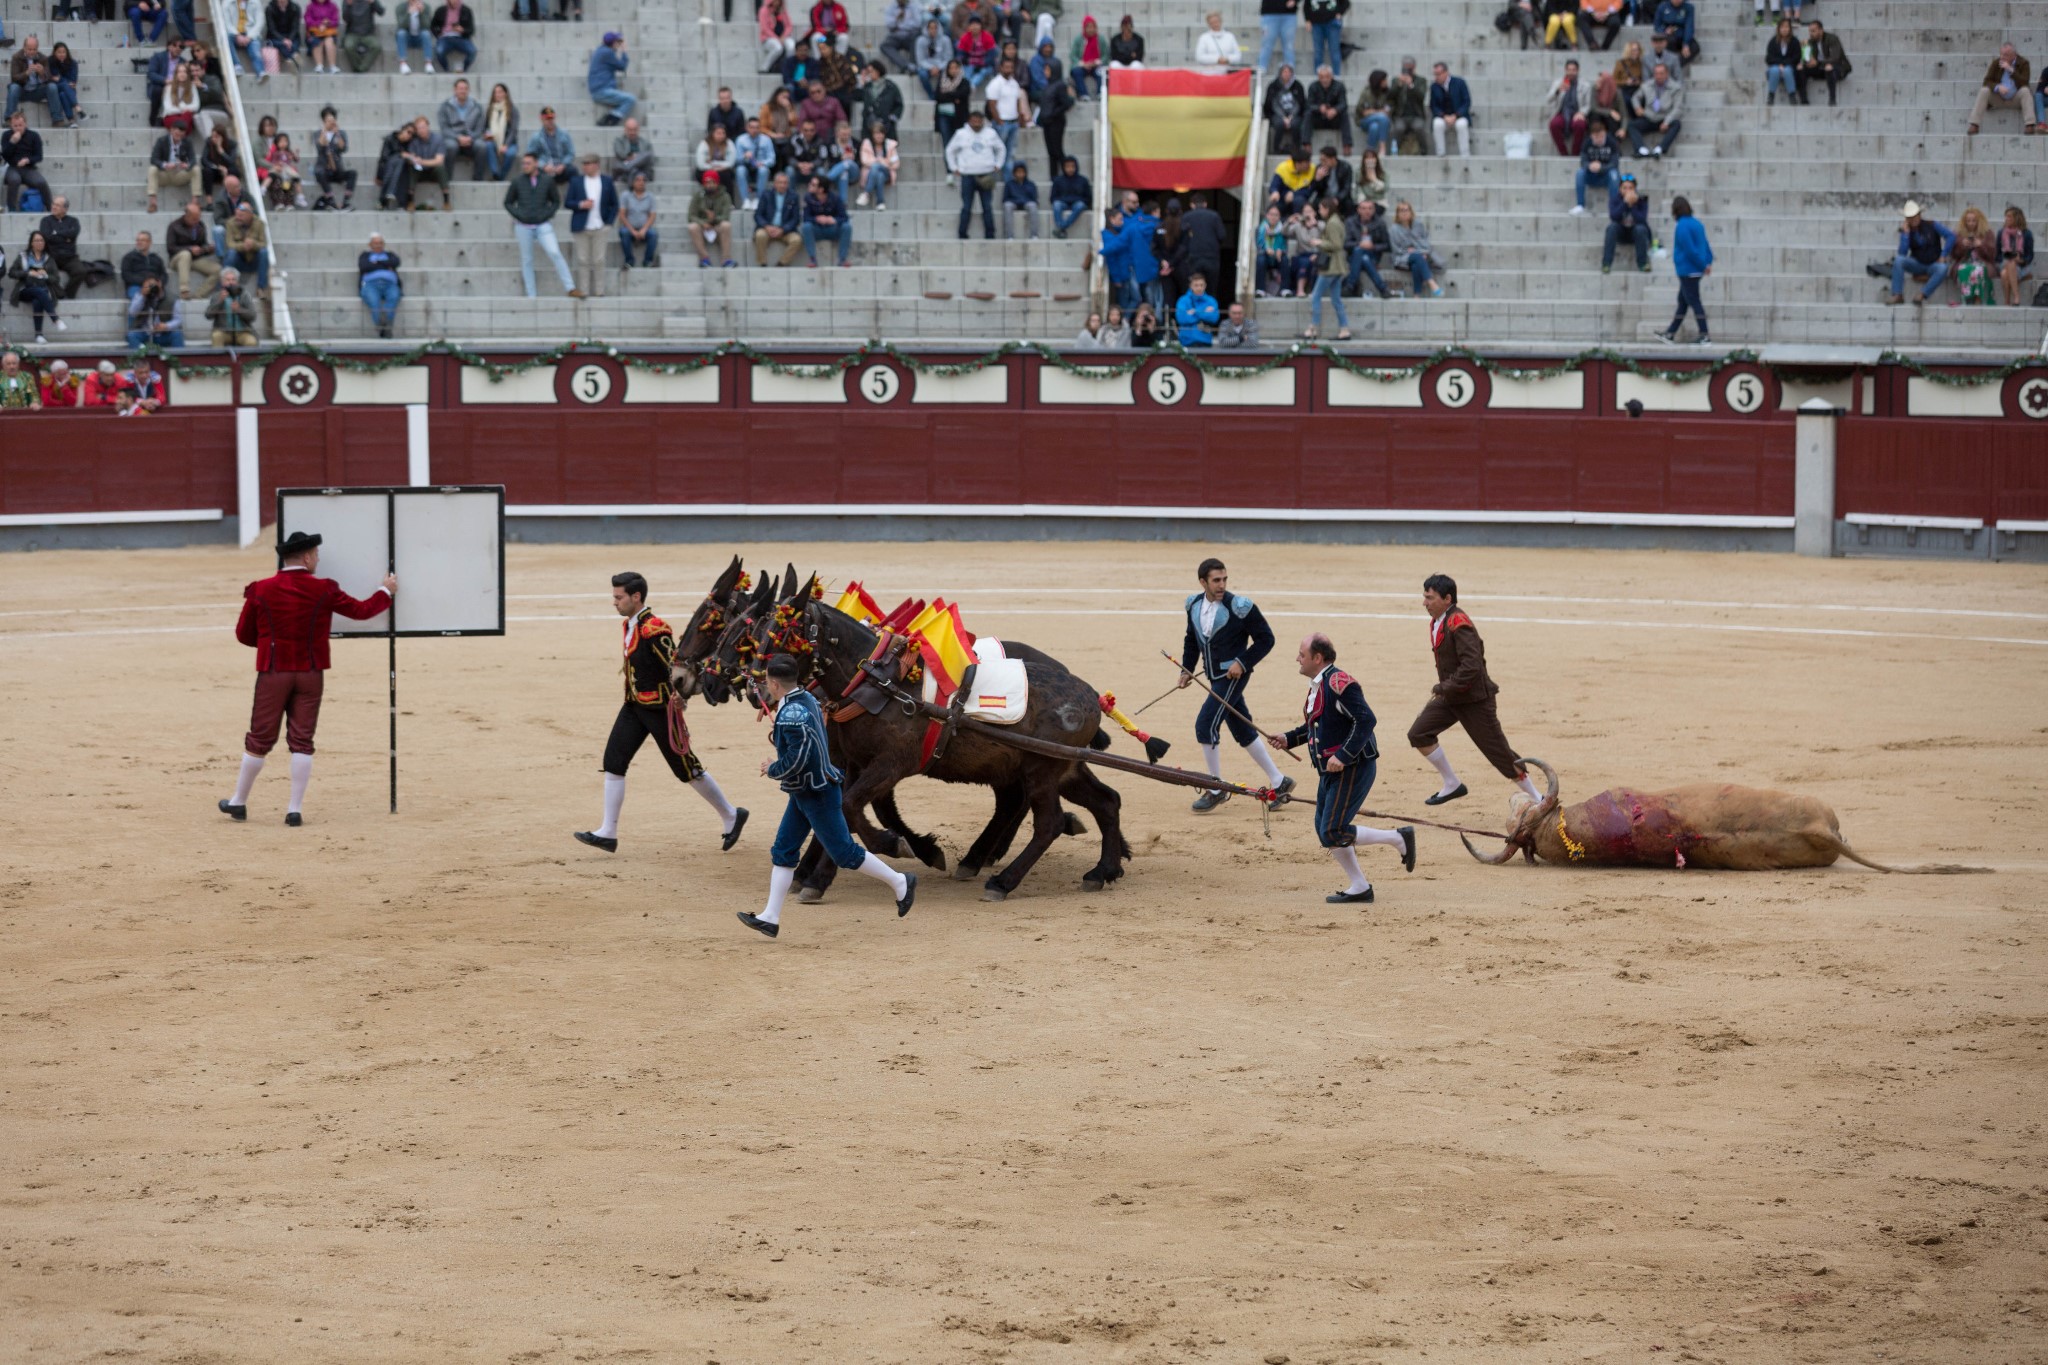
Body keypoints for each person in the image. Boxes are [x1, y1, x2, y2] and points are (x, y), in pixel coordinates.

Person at [221, 531, 396, 827]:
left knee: (260, 737)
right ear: (306, 557)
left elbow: (243, 634)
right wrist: (386, 591)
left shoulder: (261, 590)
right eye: (315, 554)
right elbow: (362, 611)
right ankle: (294, 810)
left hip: (274, 670)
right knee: (302, 739)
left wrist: (269, 644)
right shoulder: (323, 589)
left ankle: (238, 801)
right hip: (310, 672)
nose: (317, 559)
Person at [736, 653, 913, 940]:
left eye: (766, 682)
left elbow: (797, 759)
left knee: (844, 852)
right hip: (805, 790)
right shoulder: (804, 698)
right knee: (784, 850)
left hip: (815, 791)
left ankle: (900, 881)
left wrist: (773, 768)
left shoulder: (792, 713)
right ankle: (770, 916)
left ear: (774, 683)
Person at [571, 571, 746, 858]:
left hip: (660, 708)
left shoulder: (655, 629)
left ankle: (731, 815)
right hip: (634, 705)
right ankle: (608, 832)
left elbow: (674, 666)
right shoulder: (630, 625)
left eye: (619, 597)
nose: (614, 602)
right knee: (614, 762)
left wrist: (680, 697)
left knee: (686, 768)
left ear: (636, 597)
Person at [1265, 633, 1414, 905]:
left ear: (1317, 658)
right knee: (1326, 830)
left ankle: (1397, 838)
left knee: (1332, 830)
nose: (1297, 658)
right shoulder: (1319, 684)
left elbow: (1366, 719)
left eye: (1302, 654)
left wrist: (1344, 755)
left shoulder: (1338, 682)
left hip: (1353, 766)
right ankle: (1360, 886)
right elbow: (1319, 727)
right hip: (1332, 769)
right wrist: (1289, 738)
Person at [1406, 574, 1543, 809]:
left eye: (1429, 598)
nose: (1424, 603)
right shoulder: (1440, 620)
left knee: (1499, 753)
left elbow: (1472, 666)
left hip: (1474, 700)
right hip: (1452, 697)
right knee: (1419, 733)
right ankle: (1452, 783)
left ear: (1447, 598)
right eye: (1424, 597)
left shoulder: (1458, 622)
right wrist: (1446, 691)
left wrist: (1443, 687)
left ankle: (1539, 798)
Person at [1177, 559, 1290, 811]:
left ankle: (1216, 788)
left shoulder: (1240, 607)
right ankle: (1279, 781)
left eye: (1224, 579)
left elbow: (1266, 639)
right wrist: (1186, 668)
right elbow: (1191, 640)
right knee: (1242, 729)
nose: (1222, 585)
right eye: (1216, 580)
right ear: (1202, 582)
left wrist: (1242, 661)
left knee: (1205, 724)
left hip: (1232, 677)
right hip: (1214, 677)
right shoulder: (1193, 605)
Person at [505, 152, 580, 297]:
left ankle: (570, 287)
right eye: (523, 163)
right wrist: (519, 215)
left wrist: (546, 215)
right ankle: (531, 294)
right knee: (527, 259)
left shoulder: (547, 180)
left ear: (536, 164)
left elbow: (556, 201)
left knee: (555, 252)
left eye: (528, 163)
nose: (525, 166)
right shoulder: (517, 181)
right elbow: (508, 202)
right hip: (523, 226)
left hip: (542, 225)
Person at [946, 107, 1004, 238]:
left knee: (987, 207)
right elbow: (950, 150)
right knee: (966, 206)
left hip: (986, 173)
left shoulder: (991, 133)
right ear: (969, 121)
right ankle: (962, 233)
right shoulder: (961, 134)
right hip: (968, 174)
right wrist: (953, 167)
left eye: (979, 121)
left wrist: (998, 164)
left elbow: (1001, 149)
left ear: (983, 121)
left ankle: (990, 234)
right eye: (974, 121)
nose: (977, 124)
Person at [1661, 194, 1710, 342]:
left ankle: (1704, 334)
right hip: (1696, 269)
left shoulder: (1682, 226)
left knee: (1694, 302)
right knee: (1682, 302)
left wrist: (1702, 264)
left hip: (1688, 270)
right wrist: (1707, 263)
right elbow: (1705, 245)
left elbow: (1689, 249)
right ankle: (1670, 333)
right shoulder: (1697, 223)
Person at [10, 231, 63, 342]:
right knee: (39, 292)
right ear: (32, 243)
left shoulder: (49, 258)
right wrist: (28, 273)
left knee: (38, 299)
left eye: (41, 240)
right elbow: (12, 273)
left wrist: (46, 275)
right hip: (25, 289)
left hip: (43, 289)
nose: (39, 243)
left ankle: (39, 335)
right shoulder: (23, 256)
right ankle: (55, 319)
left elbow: (56, 278)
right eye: (37, 240)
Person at [1388, 199, 1444, 297]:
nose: (1404, 213)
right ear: (1397, 214)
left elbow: (1426, 242)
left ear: (1411, 212)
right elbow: (1396, 249)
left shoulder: (1418, 225)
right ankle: (1432, 283)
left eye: (1406, 210)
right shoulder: (1393, 229)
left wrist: (1421, 252)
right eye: (1401, 211)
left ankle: (1416, 295)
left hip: (1420, 256)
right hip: (1402, 258)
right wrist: (1411, 252)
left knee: (1416, 264)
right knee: (1417, 257)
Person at [984, 54, 1030, 172]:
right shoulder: (995, 83)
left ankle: (1007, 182)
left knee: (1010, 154)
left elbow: (1017, 102)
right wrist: (999, 121)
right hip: (1002, 123)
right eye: (1007, 67)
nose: (1009, 70)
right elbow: (992, 105)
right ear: (1001, 68)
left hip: (1013, 123)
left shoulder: (1014, 83)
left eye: (1011, 67)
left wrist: (1020, 118)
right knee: (997, 152)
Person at [1969, 43, 2030, 133]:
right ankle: (1974, 124)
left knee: (2025, 91)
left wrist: (2011, 70)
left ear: (2014, 55)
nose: (2002, 57)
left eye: (2005, 55)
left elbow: (2025, 82)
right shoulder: (1996, 63)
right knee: (1984, 90)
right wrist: (1997, 87)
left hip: (2016, 99)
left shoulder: (2023, 63)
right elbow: (1986, 81)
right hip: (1999, 98)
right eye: (2001, 54)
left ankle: (2030, 125)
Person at [1628, 60, 1683, 157]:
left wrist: (1667, 121)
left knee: (1677, 124)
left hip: (1664, 118)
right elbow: (1635, 97)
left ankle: (1660, 148)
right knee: (1632, 125)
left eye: (1661, 73)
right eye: (1656, 73)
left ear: (1667, 74)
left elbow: (1678, 108)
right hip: (1649, 116)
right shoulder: (1647, 85)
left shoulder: (1676, 88)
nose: (1659, 76)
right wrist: (1637, 107)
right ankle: (1641, 149)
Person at [166, 198, 219, 298]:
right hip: (177, 259)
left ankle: (199, 294)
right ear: (187, 216)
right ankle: (184, 290)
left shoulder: (200, 225)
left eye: (198, 218)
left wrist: (208, 249)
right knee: (185, 254)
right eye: (194, 219)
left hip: (195, 259)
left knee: (218, 270)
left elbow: (203, 244)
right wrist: (189, 249)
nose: (197, 221)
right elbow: (171, 248)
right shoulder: (174, 226)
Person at [749, 169, 803, 266]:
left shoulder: (794, 196)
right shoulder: (766, 195)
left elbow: (795, 219)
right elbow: (758, 215)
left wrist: (783, 229)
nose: (782, 185)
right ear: (775, 184)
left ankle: (782, 262)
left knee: (797, 240)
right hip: (767, 228)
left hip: (785, 230)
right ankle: (762, 263)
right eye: (780, 183)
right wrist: (767, 226)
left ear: (788, 184)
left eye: (785, 183)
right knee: (760, 235)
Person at [2, 111, 50, 215]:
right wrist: (12, 142)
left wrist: (28, 160)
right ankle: (12, 209)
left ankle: (50, 206)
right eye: (15, 126)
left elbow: (39, 156)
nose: (18, 128)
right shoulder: (6, 135)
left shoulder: (34, 136)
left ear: (25, 124)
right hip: (11, 167)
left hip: (28, 168)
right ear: (11, 125)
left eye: (20, 125)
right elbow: (4, 155)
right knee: (14, 180)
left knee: (41, 182)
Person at [1602, 172, 1652, 272]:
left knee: (1640, 228)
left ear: (1635, 189)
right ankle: (1606, 263)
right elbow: (1614, 216)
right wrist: (1625, 203)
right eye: (1624, 188)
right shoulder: (1615, 199)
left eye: (1630, 188)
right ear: (1620, 189)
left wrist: (1633, 205)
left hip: (1636, 233)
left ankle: (1643, 263)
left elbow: (1641, 219)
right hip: (1621, 232)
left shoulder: (1641, 200)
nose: (1627, 191)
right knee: (1611, 228)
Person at [685, 168, 735, 267]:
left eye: (712, 182)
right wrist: (703, 223)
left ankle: (726, 259)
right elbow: (691, 216)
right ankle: (704, 259)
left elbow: (726, 216)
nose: (709, 185)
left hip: (717, 227)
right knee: (692, 227)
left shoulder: (725, 196)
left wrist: (713, 219)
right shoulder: (698, 196)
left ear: (717, 183)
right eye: (707, 183)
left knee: (726, 225)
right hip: (703, 227)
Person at [1949, 205, 1998, 305]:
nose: (1971, 223)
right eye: (1968, 220)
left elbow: (1992, 255)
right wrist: (1962, 245)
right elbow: (1954, 255)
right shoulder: (1958, 233)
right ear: (1964, 221)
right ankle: (1966, 298)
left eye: (1974, 220)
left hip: (1983, 263)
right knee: (1963, 268)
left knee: (1977, 269)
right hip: (1964, 262)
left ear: (1979, 221)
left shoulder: (1987, 233)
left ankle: (1977, 299)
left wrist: (1981, 245)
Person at [439, 77, 486, 181]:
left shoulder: (477, 107)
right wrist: (457, 137)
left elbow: (480, 128)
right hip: (453, 138)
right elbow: (444, 128)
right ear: (455, 90)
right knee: (450, 146)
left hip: (471, 139)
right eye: (460, 88)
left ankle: (478, 179)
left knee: (482, 146)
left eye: (465, 88)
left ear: (468, 90)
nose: (463, 91)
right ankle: (447, 178)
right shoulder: (445, 106)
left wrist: (471, 138)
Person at [800, 173, 852, 266]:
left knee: (846, 227)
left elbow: (844, 217)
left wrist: (833, 219)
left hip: (832, 229)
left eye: (813, 184)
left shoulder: (835, 198)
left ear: (821, 189)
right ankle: (812, 259)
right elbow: (805, 218)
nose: (809, 185)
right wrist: (817, 219)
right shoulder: (808, 198)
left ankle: (842, 259)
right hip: (817, 229)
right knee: (806, 227)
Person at [400, 116, 450, 210]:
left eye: (423, 127)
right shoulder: (414, 141)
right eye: (418, 129)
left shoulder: (438, 139)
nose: (421, 130)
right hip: (419, 171)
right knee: (411, 168)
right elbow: (411, 157)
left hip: (433, 170)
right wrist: (413, 159)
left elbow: (439, 160)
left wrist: (422, 161)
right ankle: (410, 201)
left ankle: (446, 201)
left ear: (428, 126)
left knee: (441, 168)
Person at [1795, 19, 1848, 107]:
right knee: (1801, 69)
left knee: (1829, 67)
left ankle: (1832, 99)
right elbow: (1807, 60)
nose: (1811, 33)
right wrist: (1804, 48)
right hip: (1820, 68)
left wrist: (1818, 62)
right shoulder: (1811, 42)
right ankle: (1804, 100)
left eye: (1813, 31)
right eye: (1809, 31)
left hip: (1838, 68)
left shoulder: (1832, 38)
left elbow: (1835, 57)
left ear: (1821, 30)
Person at [147, 123, 197, 216]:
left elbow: (193, 159)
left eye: (181, 134)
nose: (178, 136)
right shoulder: (162, 141)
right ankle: (153, 202)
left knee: (196, 169)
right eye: (176, 133)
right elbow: (154, 159)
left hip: (179, 174)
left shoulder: (187, 142)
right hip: (165, 174)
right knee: (152, 169)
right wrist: (165, 164)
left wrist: (187, 165)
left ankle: (194, 203)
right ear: (171, 130)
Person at [1344, 197, 1390, 298]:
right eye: (1364, 208)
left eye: (1370, 208)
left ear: (1374, 210)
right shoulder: (1350, 222)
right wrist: (1359, 244)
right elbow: (1345, 244)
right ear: (1358, 210)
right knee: (1360, 253)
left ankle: (1350, 286)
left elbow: (1387, 246)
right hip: (1353, 257)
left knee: (1364, 257)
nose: (1367, 211)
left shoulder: (1380, 223)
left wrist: (1373, 246)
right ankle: (1383, 289)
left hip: (1373, 255)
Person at [1544, 59, 1590, 156]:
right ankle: (1563, 152)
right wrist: (1558, 91)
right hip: (1562, 112)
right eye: (1569, 70)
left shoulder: (1585, 85)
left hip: (1577, 112)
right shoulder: (1558, 83)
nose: (1571, 72)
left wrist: (1581, 113)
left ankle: (1575, 153)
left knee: (1580, 125)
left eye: (1573, 70)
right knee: (1554, 124)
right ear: (1565, 70)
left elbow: (1587, 105)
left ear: (1577, 71)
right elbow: (1548, 99)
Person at [588, 31, 633, 126]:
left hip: (598, 89)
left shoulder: (601, 50)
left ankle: (609, 117)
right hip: (601, 91)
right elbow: (622, 66)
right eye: (617, 42)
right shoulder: (607, 53)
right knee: (630, 99)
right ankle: (610, 118)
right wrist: (624, 51)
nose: (619, 44)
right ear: (612, 43)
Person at [206, 266, 260, 344]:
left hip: (242, 332)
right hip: (224, 332)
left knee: (251, 342)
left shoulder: (244, 295)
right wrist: (220, 301)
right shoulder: (217, 296)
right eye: (227, 280)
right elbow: (208, 315)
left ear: (237, 282)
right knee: (216, 336)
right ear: (222, 282)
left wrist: (239, 309)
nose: (230, 282)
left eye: (233, 280)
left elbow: (253, 316)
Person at [1429, 61, 1472, 157]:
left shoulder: (1460, 82)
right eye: (1435, 74)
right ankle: (1441, 153)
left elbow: (1466, 102)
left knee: (1462, 125)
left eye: (1438, 74)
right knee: (1437, 124)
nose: (1436, 77)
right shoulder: (1434, 86)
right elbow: (1433, 106)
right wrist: (1443, 116)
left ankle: (1465, 154)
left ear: (1446, 73)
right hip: (1443, 117)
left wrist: (1456, 115)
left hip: (1458, 116)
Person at [1572, 120, 1615, 213]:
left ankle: (1614, 206)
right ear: (1591, 136)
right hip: (1591, 175)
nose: (1599, 139)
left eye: (1601, 136)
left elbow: (1615, 163)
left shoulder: (1611, 142)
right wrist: (1589, 166)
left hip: (1606, 176)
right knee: (1580, 173)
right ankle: (1580, 205)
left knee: (1614, 174)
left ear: (1605, 134)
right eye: (1596, 137)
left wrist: (1601, 167)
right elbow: (1583, 161)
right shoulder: (1587, 143)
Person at [1306, 64, 1350, 155]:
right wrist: (1319, 108)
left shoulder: (1339, 86)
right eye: (1322, 77)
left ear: (1331, 76)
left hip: (1334, 118)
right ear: (1318, 77)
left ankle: (1347, 145)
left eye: (1327, 76)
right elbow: (1309, 104)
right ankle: (1306, 144)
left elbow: (1343, 104)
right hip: (1319, 118)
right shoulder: (1313, 86)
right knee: (1308, 114)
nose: (1324, 79)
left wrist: (1335, 110)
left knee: (1344, 115)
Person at [1996, 206, 2035, 307]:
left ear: (2017, 218)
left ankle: (2007, 300)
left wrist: (2020, 260)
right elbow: (1997, 254)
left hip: (2022, 265)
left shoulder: (2026, 234)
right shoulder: (2001, 232)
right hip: (2004, 263)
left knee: (2005, 273)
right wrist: (2004, 258)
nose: (2007, 219)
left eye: (2009, 216)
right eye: (2006, 216)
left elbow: (2030, 256)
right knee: (2009, 262)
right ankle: (2017, 297)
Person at [527, 105, 575, 180]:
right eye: (547, 119)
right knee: (534, 173)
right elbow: (531, 155)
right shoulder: (536, 137)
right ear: (542, 119)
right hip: (545, 169)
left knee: (573, 171)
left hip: (561, 167)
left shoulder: (564, 135)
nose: (550, 121)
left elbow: (570, 153)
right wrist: (543, 165)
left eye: (552, 118)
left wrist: (563, 165)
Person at [858, 121, 899, 208]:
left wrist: (880, 161)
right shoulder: (866, 144)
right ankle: (880, 202)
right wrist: (881, 161)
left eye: (881, 133)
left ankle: (866, 193)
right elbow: (864, 160)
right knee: (879, 175)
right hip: (871, 173)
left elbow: (896, 163)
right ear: (872, 135)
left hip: (887, 172)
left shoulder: (890, 145)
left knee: (876, 166)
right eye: (876, 133)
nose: (879, 136)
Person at [121, 231, 169, 303]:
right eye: (138, 240)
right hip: (135, 286)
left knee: (173, 301)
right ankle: (134, 312)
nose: (139, 242)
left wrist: (158, 282)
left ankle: (152, 310)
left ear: (149, 242)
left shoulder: (156, 258)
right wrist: (145, 281)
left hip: (154, 286)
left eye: (142, 240)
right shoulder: (129, 257)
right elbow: (126, 275)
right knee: (139, 298)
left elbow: (164, 274)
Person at [996, 159, 1038, 238]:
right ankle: (1009, 236)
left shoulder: (1031, 184)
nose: (1020, 174)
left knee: (1033, 206)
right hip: (1013, 203)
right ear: (1014, 173)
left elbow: (1034, 199)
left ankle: (1034, 235)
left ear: (1025, 173)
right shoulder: (1009, 184)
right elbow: (1005, 199)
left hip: (1027, 203)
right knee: (1007, 206)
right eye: (1018, 172)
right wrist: (1017, 200)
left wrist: (1023, 201)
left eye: (1022, 172)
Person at [341, 0, 385, 73]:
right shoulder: (347, 1)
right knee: (348, 46)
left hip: (368, 34)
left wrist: (373, 2)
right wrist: (349, 5)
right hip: (352, 33)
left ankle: (361, 68)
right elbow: (346, 19)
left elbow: (381, 12)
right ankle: (359, 67)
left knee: (376, 46)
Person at [1048, 155, 1087, 237]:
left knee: (1080, 205)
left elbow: (1087, 198)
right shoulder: (1058, 180)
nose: (1070, 169)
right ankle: (1062, 226)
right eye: (1068, 166)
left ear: (1076, 167)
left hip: (1077, 203)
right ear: (1063, 167)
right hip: (1063, 203)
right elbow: (1053, 198)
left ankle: (1062, 227)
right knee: (1057, 205)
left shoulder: (1083, 180)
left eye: (1072, 166)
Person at [696, 122, 740, 195]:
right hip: (706, 169)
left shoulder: (729, 143)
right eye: (718, 133)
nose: (721, 135)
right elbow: (701, 164)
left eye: (723, 133)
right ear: (712, 134)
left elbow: (731, 162)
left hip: (723, 170)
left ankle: (730, 202)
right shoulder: (704, 144)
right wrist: (715, 167)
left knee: (727, 175)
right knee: (707, 175)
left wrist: (714, 164)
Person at [1762, 17, 1798, 105]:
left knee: (1787, 70)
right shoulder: (1773, 41)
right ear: (1778, 29)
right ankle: (1771, 95)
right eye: (1782, 27)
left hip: (1789, 67)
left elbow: (1796, 57)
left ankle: (1792, 95)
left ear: (1790, 29)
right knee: (1774, 70)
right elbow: (1768, 58)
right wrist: (1779, 64)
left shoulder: (1794, 41)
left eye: (1787, 27)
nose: (1784, 29)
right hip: (1775, 67)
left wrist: (1784, 64)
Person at [1304, 0, 1345, 76]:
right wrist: (1307, 20)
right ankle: (1318, 77)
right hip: (1316, 24)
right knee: (1318, 52)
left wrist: (1339, 12)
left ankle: (1337, 77)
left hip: (1332, 23)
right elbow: (1306, 5)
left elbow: (1346, 3)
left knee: (1334, 51)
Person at [263, 0, 303, 74]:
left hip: (292, 37)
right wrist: (283, 40)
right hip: (275, 37)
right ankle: (293, 56)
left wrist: (289, 39)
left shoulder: (295, 8)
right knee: (281, 44)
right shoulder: (270, 8)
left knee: (292, 44)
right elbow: (271, 29)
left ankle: (290, 59)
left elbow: (295, 27)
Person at [1066, 15, 1101, 98]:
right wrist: (1083, 64)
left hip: (1096, 65)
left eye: (1093, 27)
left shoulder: (1100, 39)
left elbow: (1105, 55)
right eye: (1088, 27)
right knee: (1077, 72)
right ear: (1084, 28)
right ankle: (1083, 94)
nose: (1091, 30)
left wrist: (1096, 62)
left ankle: (1100, 93)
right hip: (1083, 65)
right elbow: (1073, 55)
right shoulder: (1079, 39)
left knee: (1101, 72)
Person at [760, 0, 798, 73]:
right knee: (778, 48)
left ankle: (788, 67)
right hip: (769, 37)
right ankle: (764, 67)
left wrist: (784, 36)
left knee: (791, 46)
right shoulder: (764, 10)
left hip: (783, 37)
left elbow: (789, 26)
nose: (777, 2)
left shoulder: (783, 10)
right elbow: (765, 28)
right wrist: (777, 38)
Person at [393, 0, 430, 72]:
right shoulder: (400, 7)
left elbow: (427, 26)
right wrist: (409, 13)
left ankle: (428, 64)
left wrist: (421, 13)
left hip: (420, 38)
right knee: (401, 33)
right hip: (407, 38)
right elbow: (401, 25)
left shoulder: (426, 7)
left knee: (426, 33)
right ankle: (403, 63)